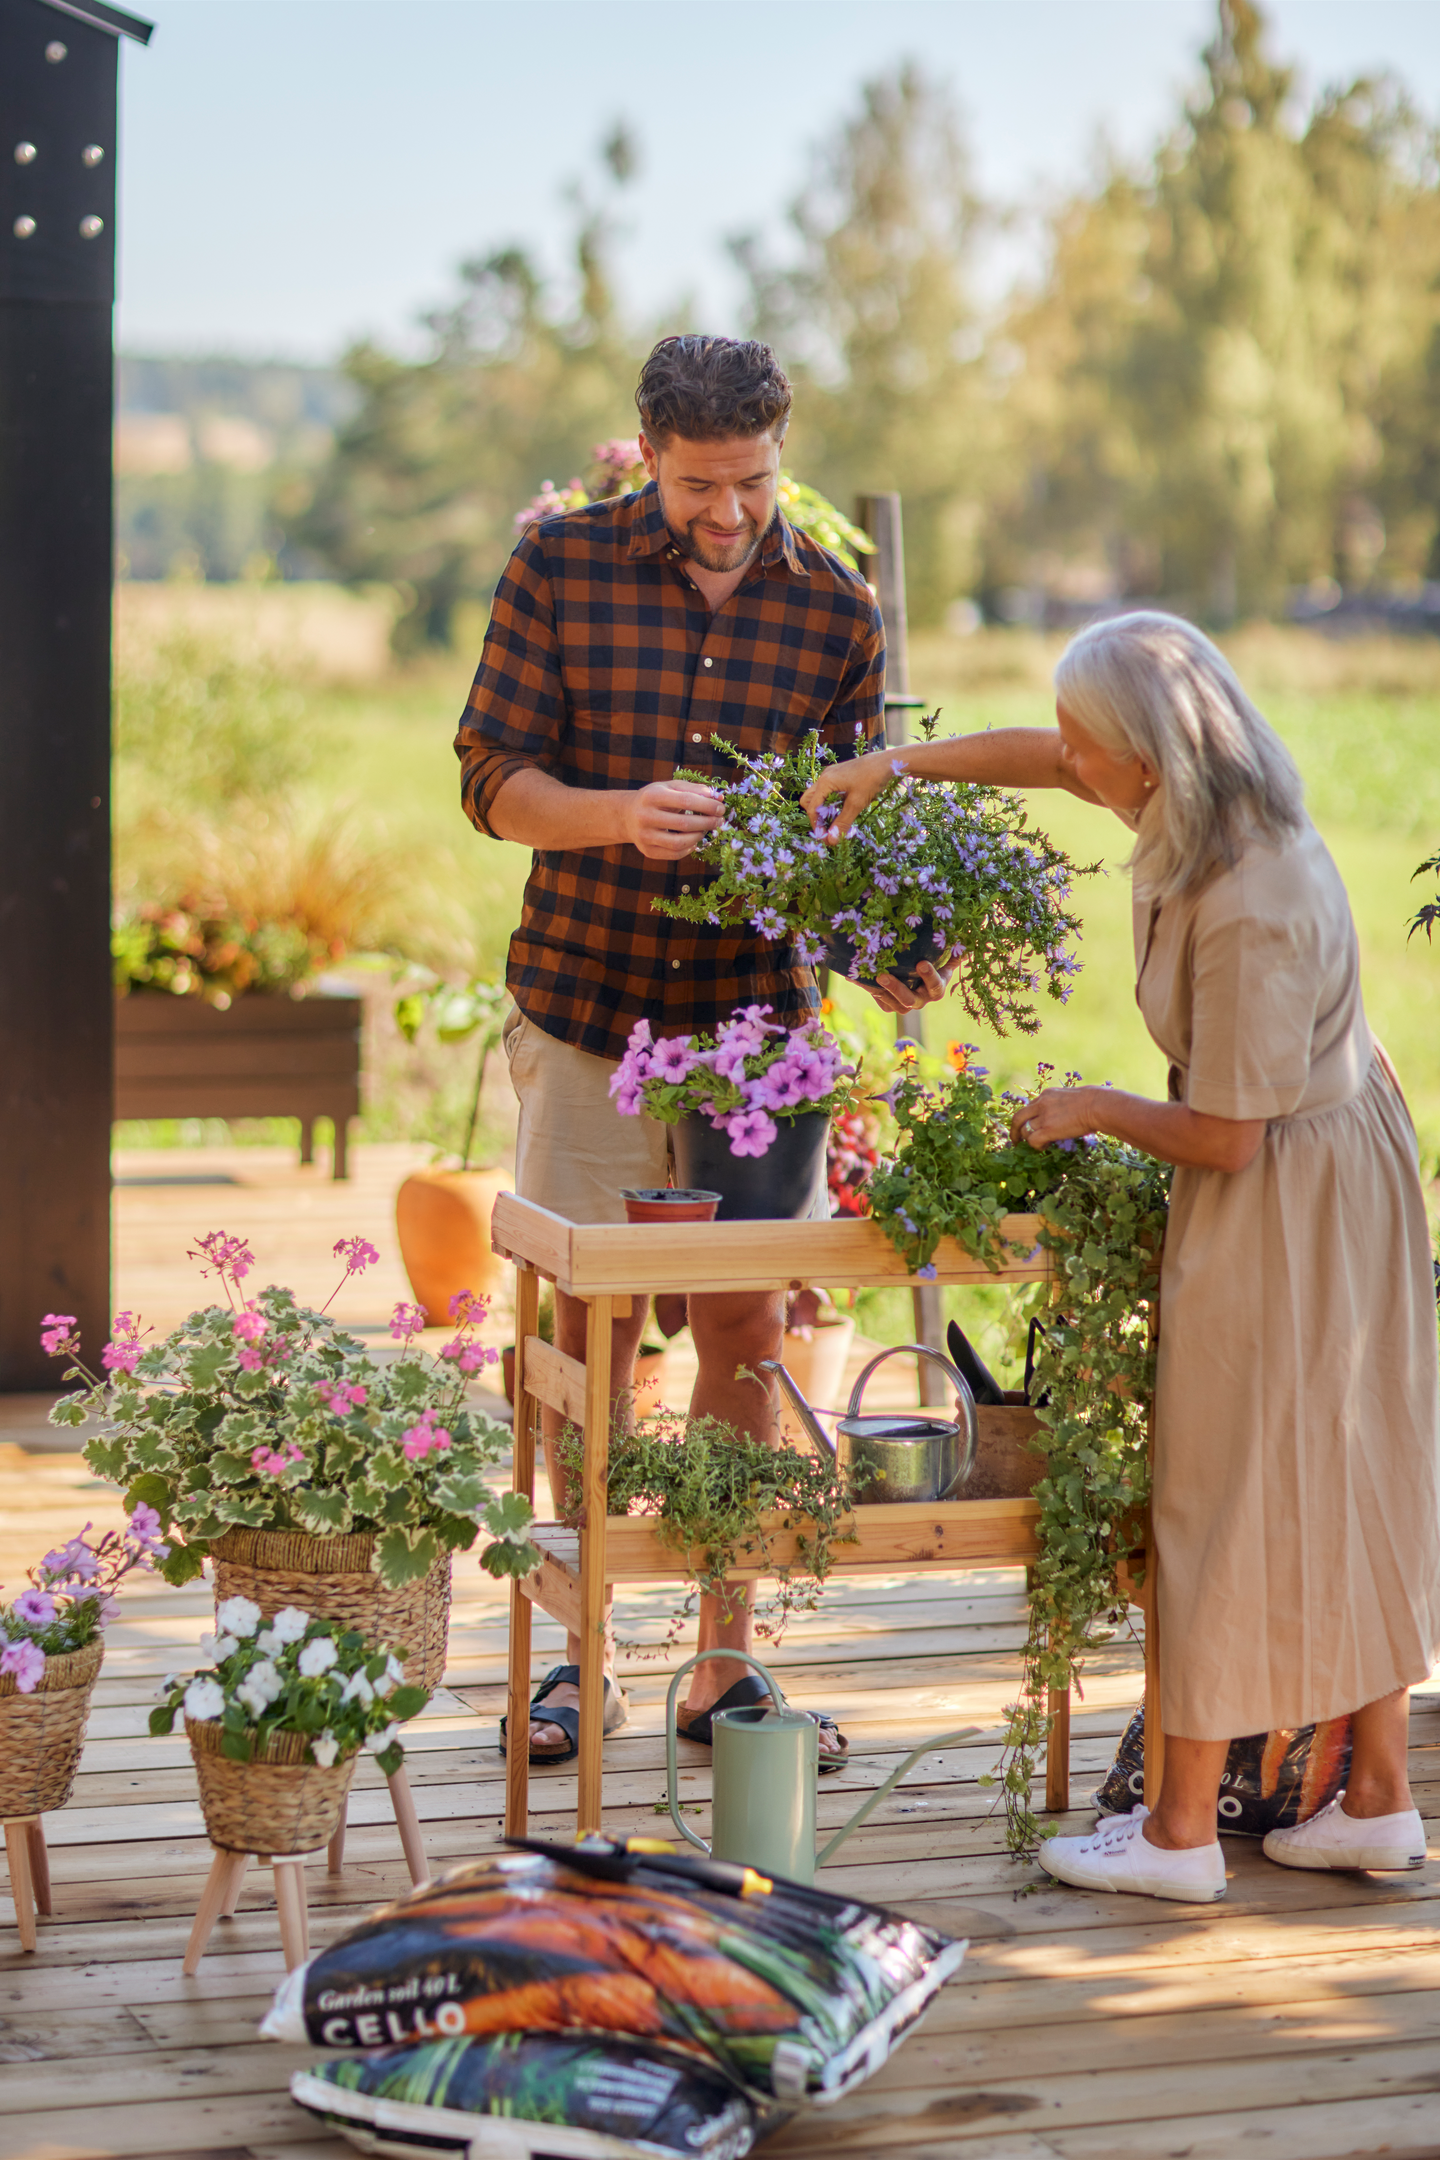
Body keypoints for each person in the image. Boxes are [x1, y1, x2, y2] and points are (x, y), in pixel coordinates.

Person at [802, 609, 1440, 1901]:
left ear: (1150, 760)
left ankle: (1179, 1833)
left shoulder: (1252, 896)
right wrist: (891, 768)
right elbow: (1044, 757)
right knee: (1347, 1464)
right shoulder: (1206, 805)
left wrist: (1091, 1106)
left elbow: (1228, 1138)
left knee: (1220, 1483)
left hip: (1290, 1185)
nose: (1067, 761)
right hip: (1326, 1157)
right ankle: (1377, 1801)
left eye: (1087, 747)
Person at [456, 334, 948, 1764]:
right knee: (588, 1332)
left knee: (747, 1329)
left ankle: (723, 1665)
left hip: (755, 1034)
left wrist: (880, 944)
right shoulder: (560, 567)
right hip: (587, 1010)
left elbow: (842, 837)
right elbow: (491, 781)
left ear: (780, 455)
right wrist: (616, 815)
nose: (728, 513)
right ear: (649, 455)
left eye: (753, 482)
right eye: (697, 486)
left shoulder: (836, 610)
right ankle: (583, 1655)